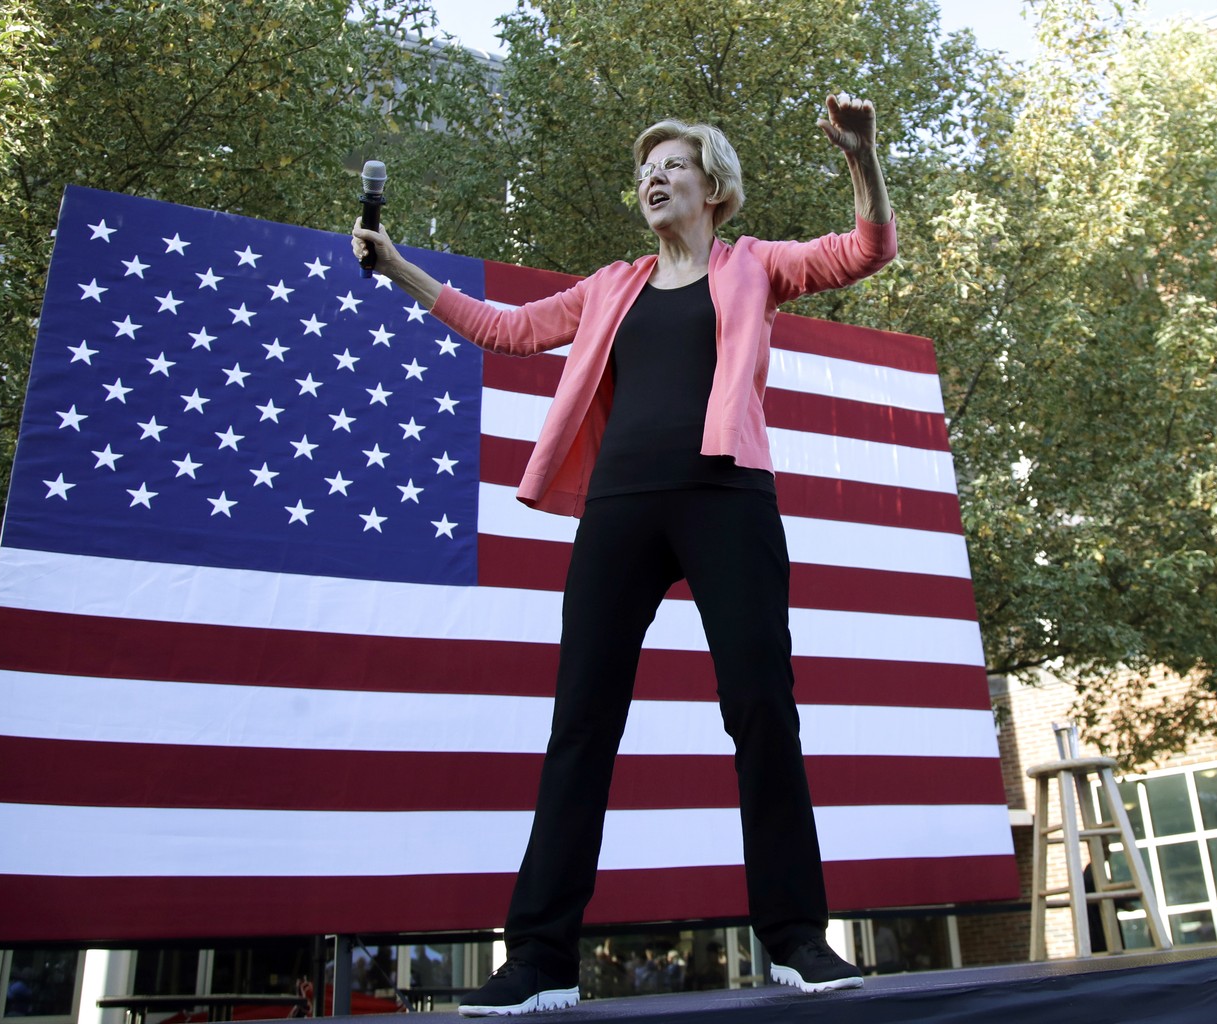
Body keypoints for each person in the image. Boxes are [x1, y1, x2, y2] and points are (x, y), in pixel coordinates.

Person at [353, 92, 895, 1017]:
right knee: (581, 725)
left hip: (727, 496)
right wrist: (399, 265)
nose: (654, 177)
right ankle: (540, 960)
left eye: (673, 165)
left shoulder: (756, 267)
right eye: (647, 168)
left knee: (761, 707)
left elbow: (868, 249)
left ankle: (798, 938)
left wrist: (860, 157)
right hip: (621, 509)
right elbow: (508, 329)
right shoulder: (612, 285)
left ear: (712, 187)